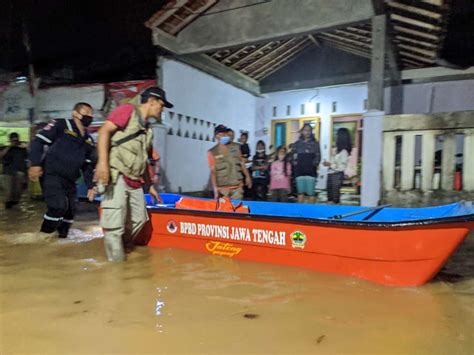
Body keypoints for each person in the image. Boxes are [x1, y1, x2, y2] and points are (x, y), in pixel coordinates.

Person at [95, 86, 169, 262]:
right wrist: (103, 163)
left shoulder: (148, 130)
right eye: (162, 105)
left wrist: (149, 185)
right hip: (117, 174)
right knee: (114, 226)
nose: (162, 109)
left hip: (135, 180)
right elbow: (104, 131)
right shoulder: (127, 110)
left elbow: (143, 159)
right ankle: (117, 270)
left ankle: (125, 251)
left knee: (138, 219)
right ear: (151, 101)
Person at [28, 103, 97, 237]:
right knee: (58, 206)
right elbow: (38, 141)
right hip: (52, 174)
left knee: (70, 211)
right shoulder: (61, 125)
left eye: (91, 113)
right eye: (87, 112)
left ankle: (61, 238)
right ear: (75, 114)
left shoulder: (88, 140)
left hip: (70, 179)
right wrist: (35, 164)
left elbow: (87, 165)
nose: (90, 116)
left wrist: (90, 185)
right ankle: (44, 237)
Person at [208, 124, 252, 200]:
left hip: (237, 187)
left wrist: (248, 176)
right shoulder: (212, 152)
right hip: (222, 188)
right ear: (216, 136)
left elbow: (241, 162)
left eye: (225, 134)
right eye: (221, 134)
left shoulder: (236, 147)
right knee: (224, 210)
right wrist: (215, 188)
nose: (224, 136)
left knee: (237, 209)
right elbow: (213, 171)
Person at [293, 123, 321, 204]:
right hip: (299, 172)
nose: (307, 132)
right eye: (305, 130)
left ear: (311, 132)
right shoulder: (297, 143)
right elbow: (293, 157)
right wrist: (296, 165)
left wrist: (312, 165)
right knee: (300, 193)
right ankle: (300, 214)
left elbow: (318, 157)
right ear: (302, 131)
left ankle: (311, 213)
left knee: (311, 194)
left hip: (311, 172)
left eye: (309, 130)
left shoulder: (315, 143)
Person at [323, 127, 352, 204]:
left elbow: (341, 167)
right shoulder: (337, 150)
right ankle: (329, 214)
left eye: (337, 135)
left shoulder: (344, 152)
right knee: (330, 197)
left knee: (335, 198)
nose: (336, 137)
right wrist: (328, 163)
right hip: (331, 174)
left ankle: (334, 215)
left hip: (337, 175)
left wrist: (330, 164)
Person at [1, 132, 28, 208]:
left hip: (19, 173)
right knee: (8, 194)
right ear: (10, 140)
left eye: (16, 140)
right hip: (7, 173)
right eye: (13, 140)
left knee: (17, 194)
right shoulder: (5, 148)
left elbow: (28, 159)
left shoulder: (22, 149)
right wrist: (10, 146)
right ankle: (9, 210)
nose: (15, 142)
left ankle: (15, 213)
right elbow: (1, 155)